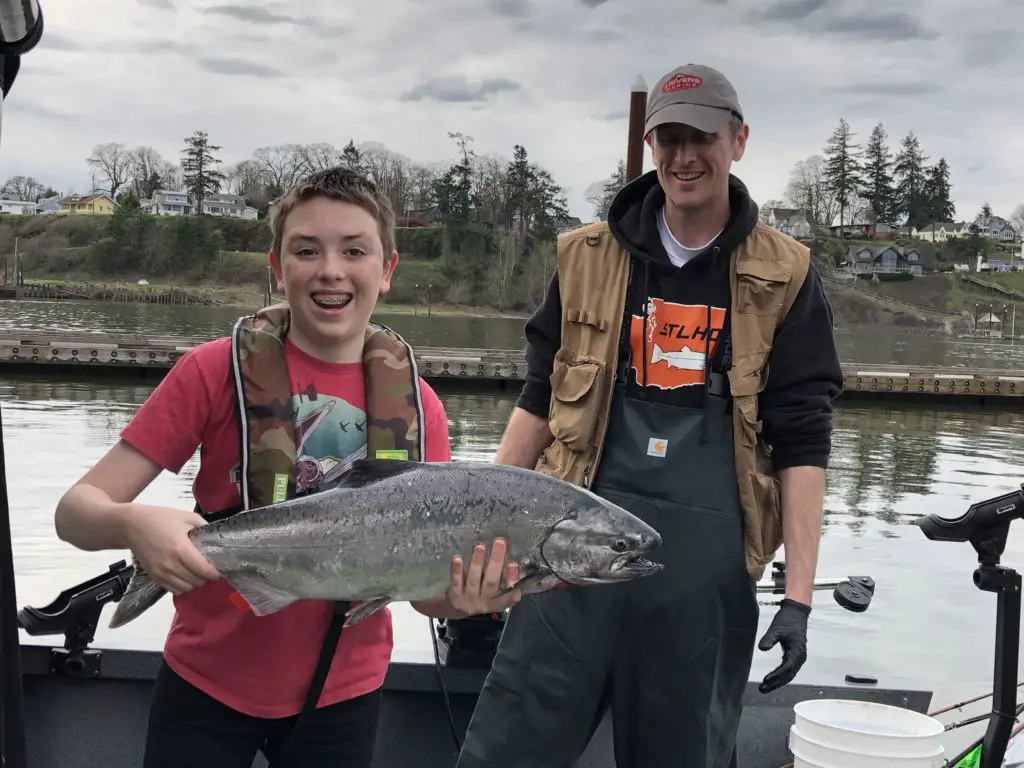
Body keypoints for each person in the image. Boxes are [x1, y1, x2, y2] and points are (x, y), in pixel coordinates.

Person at [53, 167, 522, 768]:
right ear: (278, 266)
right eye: (308, 250)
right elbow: (76, 513)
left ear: (387, 271)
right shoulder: (209, 372)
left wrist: (469, 597)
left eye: (354, 250)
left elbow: (425, 600)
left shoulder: (420, 406)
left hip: (345, 696)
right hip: (204, 685)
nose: (331, 269)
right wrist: (134, 524)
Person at [455, 64, 844, 768]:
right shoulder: (584, 257)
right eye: (668, 136)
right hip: (561, 564)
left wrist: (799, 598)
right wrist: (478, 541)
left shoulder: (786, 275)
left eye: (701, 136)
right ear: (649, 142)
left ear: (739, 141)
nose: (684, 155)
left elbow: (803, 442)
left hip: (702, 589)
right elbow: (540, 400)